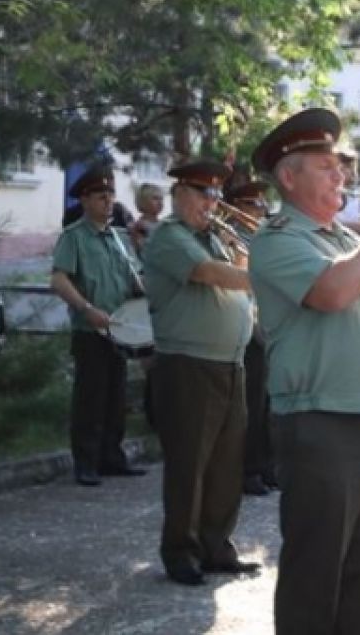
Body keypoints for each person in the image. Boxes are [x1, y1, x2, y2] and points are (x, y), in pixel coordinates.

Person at [248, 108, 360, 635]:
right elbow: (331, 294)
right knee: (316, 573)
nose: (342, 176)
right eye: (326, 166)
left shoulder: (350, 243)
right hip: (318, 422)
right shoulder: (278, 239)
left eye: (340, 166)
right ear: (289, 177)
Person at [143, 159, 257, 587]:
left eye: (215, 195)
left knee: (227, 464)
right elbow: (210, 274)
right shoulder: (171, 237)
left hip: (230, 362)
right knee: (189, 464)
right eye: (202, 194)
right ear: (180, 195)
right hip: (188, 364)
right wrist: (267, 274)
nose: (211, 203)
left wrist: (247, 244)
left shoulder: (217, 237)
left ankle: (216, 546)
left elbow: (240, 264)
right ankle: (181, 551)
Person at [49, 161, 147, 487]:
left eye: (111, 194)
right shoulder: (73, 236)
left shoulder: (119, 237)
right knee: (90, 397)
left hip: (118, 327)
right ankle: (86, 462)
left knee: (115, 397)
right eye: (100, 196)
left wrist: (141, 292)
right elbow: (59, 280)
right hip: (90, 327)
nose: (108, 201)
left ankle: (112, 457)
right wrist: (86, 307)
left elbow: (132, 279)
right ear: (85, 201)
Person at [225, 179, 276, 496]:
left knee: (270, 404)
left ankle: (268, 465)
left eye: (262, 204)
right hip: (245, 328)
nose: (262, 210)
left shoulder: (265, 238)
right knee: (252, 404)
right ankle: (248, 469)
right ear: (239, 207)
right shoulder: (230, 237)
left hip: (269, 325)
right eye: (255, 204)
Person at [335, 145, 360, 236]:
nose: (343, 170)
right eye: (340, 165)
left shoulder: (359, 195)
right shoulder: (322, 194)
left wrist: (337, 226)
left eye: (348, 166)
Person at [131, 182, 165, 253]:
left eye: (161, 199)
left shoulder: (163, 224)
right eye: (155, 198)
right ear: (143, 201)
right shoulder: (139, 227)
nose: (160, 202)